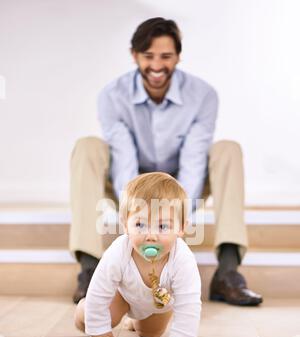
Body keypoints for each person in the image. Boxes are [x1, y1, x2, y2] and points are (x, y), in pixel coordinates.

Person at [69, 17, 263, 307]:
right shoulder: (112, 95)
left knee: (228, 149)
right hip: (130, 180)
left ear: (178, 57)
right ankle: (89, 270)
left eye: (166, 57)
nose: (157, 66)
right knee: (87, 146)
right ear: (134, 55)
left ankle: (228, 271)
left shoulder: (203, 95)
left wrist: (175, 210)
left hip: (182, 181)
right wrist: (137, 206)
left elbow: (195, 155)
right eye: (148, 56)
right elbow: (123, 156)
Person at [74, 172, 201, 337]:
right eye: (140, 224)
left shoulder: (182, 259)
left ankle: (134, 320)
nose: (150, 236)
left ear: (181, 228)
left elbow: (189, 304)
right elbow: (99, 289)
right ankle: (83, 309)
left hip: (158, 303)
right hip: (122, 296)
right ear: (126, 225)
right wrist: (98, 330)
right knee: (97, 317)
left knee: (151, 335)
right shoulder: (119, 251)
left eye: (163, 227)